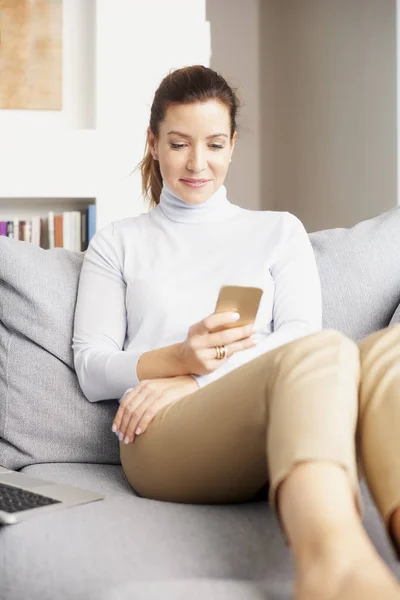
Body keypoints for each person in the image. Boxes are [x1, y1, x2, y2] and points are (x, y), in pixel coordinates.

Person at [72, 65, 400, 600]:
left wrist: (198, 380)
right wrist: (179, 358)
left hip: (259, 414)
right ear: (153, 143)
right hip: (157, 433)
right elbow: (90, 367)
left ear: (233, 145)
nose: (197, 163)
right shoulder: (119, 242)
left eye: (214, 144)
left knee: (387, 350)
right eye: (178, 144)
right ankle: (334, 565)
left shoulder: (277, 231)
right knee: (324, 350)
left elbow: (298, 335)